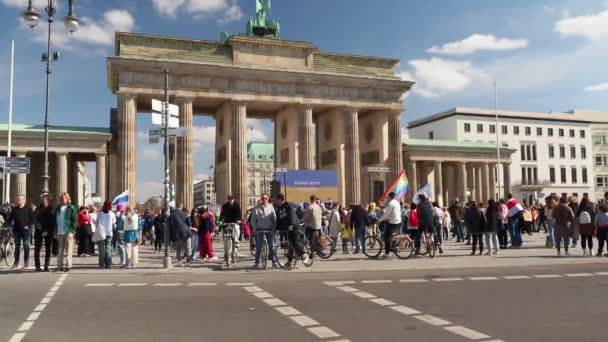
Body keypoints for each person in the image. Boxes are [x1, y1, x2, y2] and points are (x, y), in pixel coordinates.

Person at [275, 193, 308, 267]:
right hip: (287, 229)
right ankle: (290, 262)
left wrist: (291, 225)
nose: (276, 202)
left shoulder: (288, 206)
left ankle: (304, 254)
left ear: (280, 199)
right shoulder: (279, 209)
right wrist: (276, 229)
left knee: (295, 242)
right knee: (289, 246)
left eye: (276, 200)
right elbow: (279, 221)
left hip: (294, 227)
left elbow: (292, 216)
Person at [2, 195, 35, 269]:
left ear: (24, 200)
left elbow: (32, 219)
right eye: (18, 200)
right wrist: (4, 225)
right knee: (17, 247)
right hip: (17, 231)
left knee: (26, 246)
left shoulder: (28, 209)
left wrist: (28, 226)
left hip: (26, 231)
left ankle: (26, 262)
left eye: (20, 199)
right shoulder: (14, 209)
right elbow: (10, 219)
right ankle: (16, 262)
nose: (18, 201)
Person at [251, 193, 277, 269]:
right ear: (261, 199)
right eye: (263, 198)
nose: (264, 200)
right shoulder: (256, 208)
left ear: (268, 199)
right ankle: (256, 263)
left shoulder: (271, 207)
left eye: (266, 198)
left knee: (272, 246)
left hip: (269, 229)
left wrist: (273, 228)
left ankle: (274, 262)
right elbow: (253, 220)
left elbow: (274, 219)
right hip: (259, 229)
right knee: (258, 247)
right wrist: (254, 228)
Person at [54, 193, 78, 272]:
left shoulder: (71, 208)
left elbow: (74, 220)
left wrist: (72, 230)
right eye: (62, 197)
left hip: (68, 231)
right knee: (60, 250)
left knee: (68, 250)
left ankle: (68, 266)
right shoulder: (58, 208)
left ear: (68, 199)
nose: (63, 199)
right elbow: (55, 220)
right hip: (59, 231)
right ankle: (59, 266)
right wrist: (55, 231)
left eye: (65, 197)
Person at [378, 192, 402, 259]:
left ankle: (387, 253)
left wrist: (379, 220)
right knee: (390, 236)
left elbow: (386, 214)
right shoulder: (397, 202)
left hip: (393, 222)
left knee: (386, 237)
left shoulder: (391, 203)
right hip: (398, 221)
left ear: (390, 197)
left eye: (388, 197)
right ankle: (392, 248)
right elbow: (390, 211)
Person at [34, 195, 55, 272]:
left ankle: (46, 266)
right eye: (44, 200)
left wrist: (47, 231)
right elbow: (35, 220)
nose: (45, 202)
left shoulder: (51, 210)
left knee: (48, 249)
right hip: (39, 231)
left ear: (49, 201)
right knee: (37, 249)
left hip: (48, 232)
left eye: (46, 200)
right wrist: (40, 229)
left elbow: (53, 222)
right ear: (42, 201)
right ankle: (37, 266)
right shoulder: (38, 209)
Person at [168, 201, 193, 266]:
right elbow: (189, 224)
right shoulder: (185, 214)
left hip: (177, 234)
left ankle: (179, 261)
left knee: (178, 248)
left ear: (176, 206)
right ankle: (188, 261)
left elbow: (169, 226)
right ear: (182, 206)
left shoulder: (172, 215)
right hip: (186, 233)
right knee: (188, 248)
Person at [95, 201, 116, 269]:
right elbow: (114, 223)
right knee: (108, 249)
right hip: (109, 233)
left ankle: (101, 264)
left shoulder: (100, 214)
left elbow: (96, 222)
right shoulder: (112, 214)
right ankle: (108, 264)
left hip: (101, 233)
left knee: (101, 250)